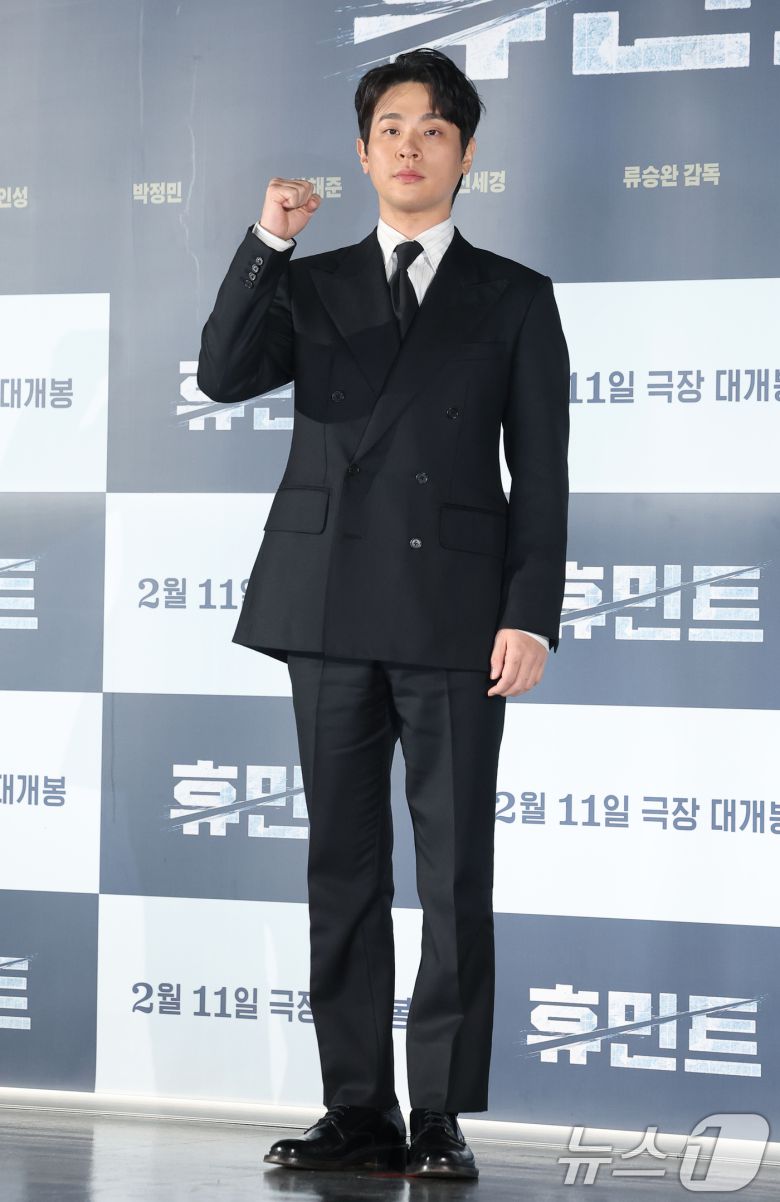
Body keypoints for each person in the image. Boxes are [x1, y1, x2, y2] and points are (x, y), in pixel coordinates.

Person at [197, 46, 570, 1181]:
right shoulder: (309, 282)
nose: (411, 147)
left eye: (433, 130)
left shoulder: (515, 296)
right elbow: (221, 373)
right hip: (326, 604)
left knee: (455, 871)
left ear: (466, 155)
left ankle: (440, 1112)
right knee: (343, 868)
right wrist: (267, 242)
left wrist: (529, 614)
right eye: (391, 129)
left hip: (456, 614)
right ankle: (357, 1108)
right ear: (362, 154)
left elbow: (542, 474)